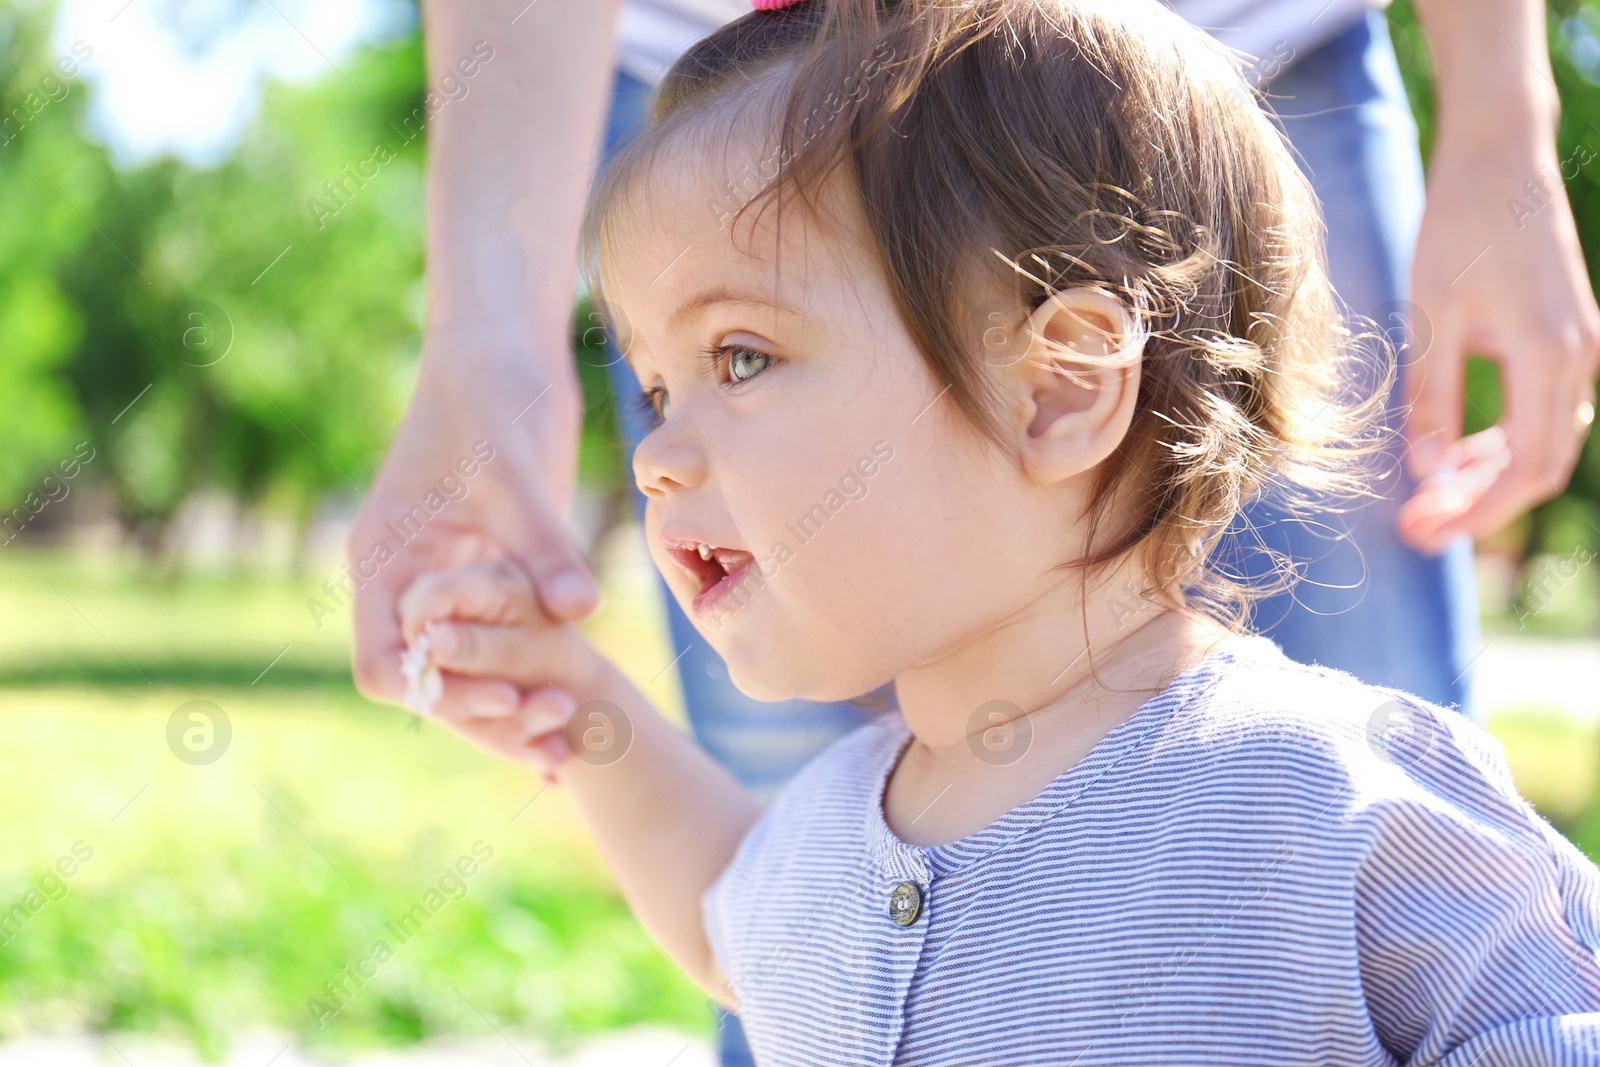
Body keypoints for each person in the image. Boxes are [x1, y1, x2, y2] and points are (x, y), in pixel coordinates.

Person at [348, 0, 1599, 1060]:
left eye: (741, 355)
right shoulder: (843, 825)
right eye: (657, 387)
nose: (654, 455)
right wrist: (576, 709)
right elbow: (736, 921)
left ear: (1057, 385)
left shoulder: (1333, 787)